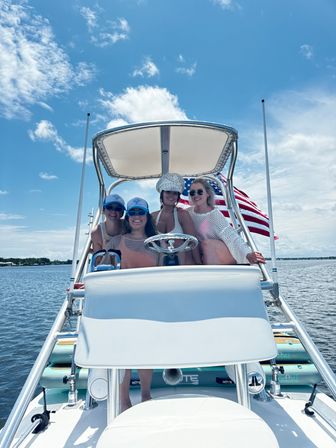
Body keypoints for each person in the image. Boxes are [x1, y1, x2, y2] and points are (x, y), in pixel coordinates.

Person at [106, 197, 158, 412]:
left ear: (147, 216)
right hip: (122, 305)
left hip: (149, 305)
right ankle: (124, 401)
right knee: (123, 354)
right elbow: (101, 272)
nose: (137, 216)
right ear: (128, 217)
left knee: (145, 352)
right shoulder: (115, 242)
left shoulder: (158, 243)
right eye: (133, 212)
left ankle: (146, 396)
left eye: (141, 212)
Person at [187, 178, 265, 265]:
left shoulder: (214, 215)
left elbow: (231, 237)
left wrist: (248, 254)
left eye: (200, 192)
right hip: (203, 255)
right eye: (192, 193)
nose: (196, 195)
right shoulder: (188, 213)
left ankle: (211, 276)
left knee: (207, 244)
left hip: (222, 254)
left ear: (208, 194)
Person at [152, 173, 202, 265]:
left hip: (183, 265)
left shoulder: (183, 214)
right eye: (168, 192)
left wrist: (199, 265)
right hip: (160, 265)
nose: (171, 196)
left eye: (174, 193)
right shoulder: (153, 216)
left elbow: (193, 243)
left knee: (178, 243)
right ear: (162, 193)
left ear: (178, 196)